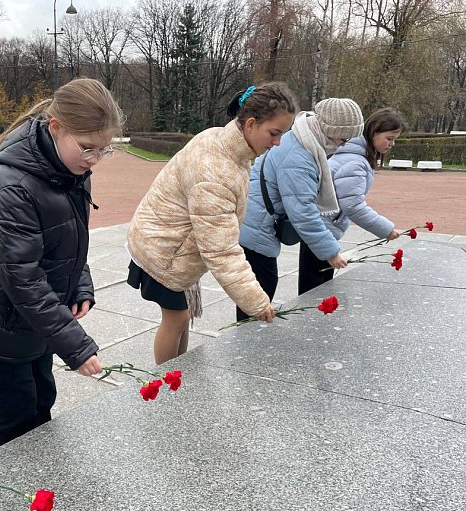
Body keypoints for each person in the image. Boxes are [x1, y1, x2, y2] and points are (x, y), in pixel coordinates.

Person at [0, 78, 124, 450]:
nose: (93, 159)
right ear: (55, 128)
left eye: (103, 150)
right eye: (87, 148)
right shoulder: (14, 186)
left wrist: (80, 283)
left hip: (35, 317)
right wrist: (76, 346)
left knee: (41, 394)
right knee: (15, 408)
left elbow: (71, 240)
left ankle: (41, 465)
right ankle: (16, 487)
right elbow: (22, 278)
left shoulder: (71, 170)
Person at [126, 82, 299, 364]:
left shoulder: (222, 141)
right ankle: (168, 382)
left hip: (165, 240)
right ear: (251, 124)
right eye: (274, 133)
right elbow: (221, 250)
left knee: (180, 318)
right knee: (177, 318)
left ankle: (177, 375)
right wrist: (256, 301)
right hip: (163, 250)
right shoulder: (215, 172)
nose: (277, 142)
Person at [237, 97, 364, 318]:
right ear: (329, 129)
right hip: (257, 224)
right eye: (344, 138)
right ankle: (247, 342)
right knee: (259, 291)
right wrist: (331, 253)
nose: (344, 144)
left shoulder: (303, 138)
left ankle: (250, 337)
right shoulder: (300, 156)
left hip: (257, 218)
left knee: (258, 288)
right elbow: (302, 211)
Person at [322, 107, 406, 279]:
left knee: (315, 280)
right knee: (316, 284)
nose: (392, 144)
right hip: (323, 227)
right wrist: (386, 229)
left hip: (323, 224)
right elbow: (353, 206)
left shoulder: (352, 155)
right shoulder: (355, 162)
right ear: (374, 132)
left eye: (394, 140)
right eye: (389, 138)